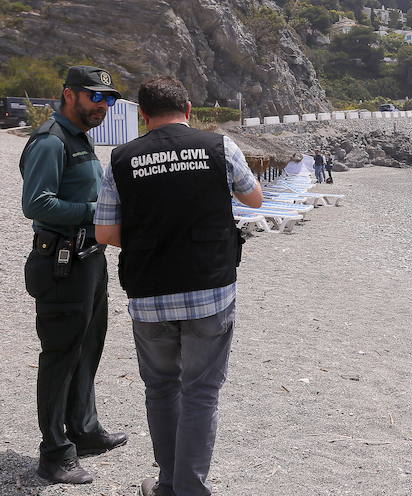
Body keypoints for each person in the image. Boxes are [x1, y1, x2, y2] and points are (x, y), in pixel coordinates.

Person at [94, 77, 262, 496]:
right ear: (188, 109)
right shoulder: (219, 146)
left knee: (161, 387)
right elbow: (254, 199)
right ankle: (188, 488)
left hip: (149, 294)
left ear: (142, 116)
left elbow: (104, 233)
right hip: (209, 289)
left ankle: (168, 483)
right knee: (201, 391)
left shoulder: (120, 158)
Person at [19, 65, 128, 485]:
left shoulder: (79, 137)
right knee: (61, 355)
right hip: (61, 263)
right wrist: (95, 213)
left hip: (88, 258)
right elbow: (37, 204)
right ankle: (54, 452)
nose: (103, 105)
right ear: (70, 95)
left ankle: (83, 430)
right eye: (95, 97)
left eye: (110, 99)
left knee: (88, 348)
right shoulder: (50, 140)